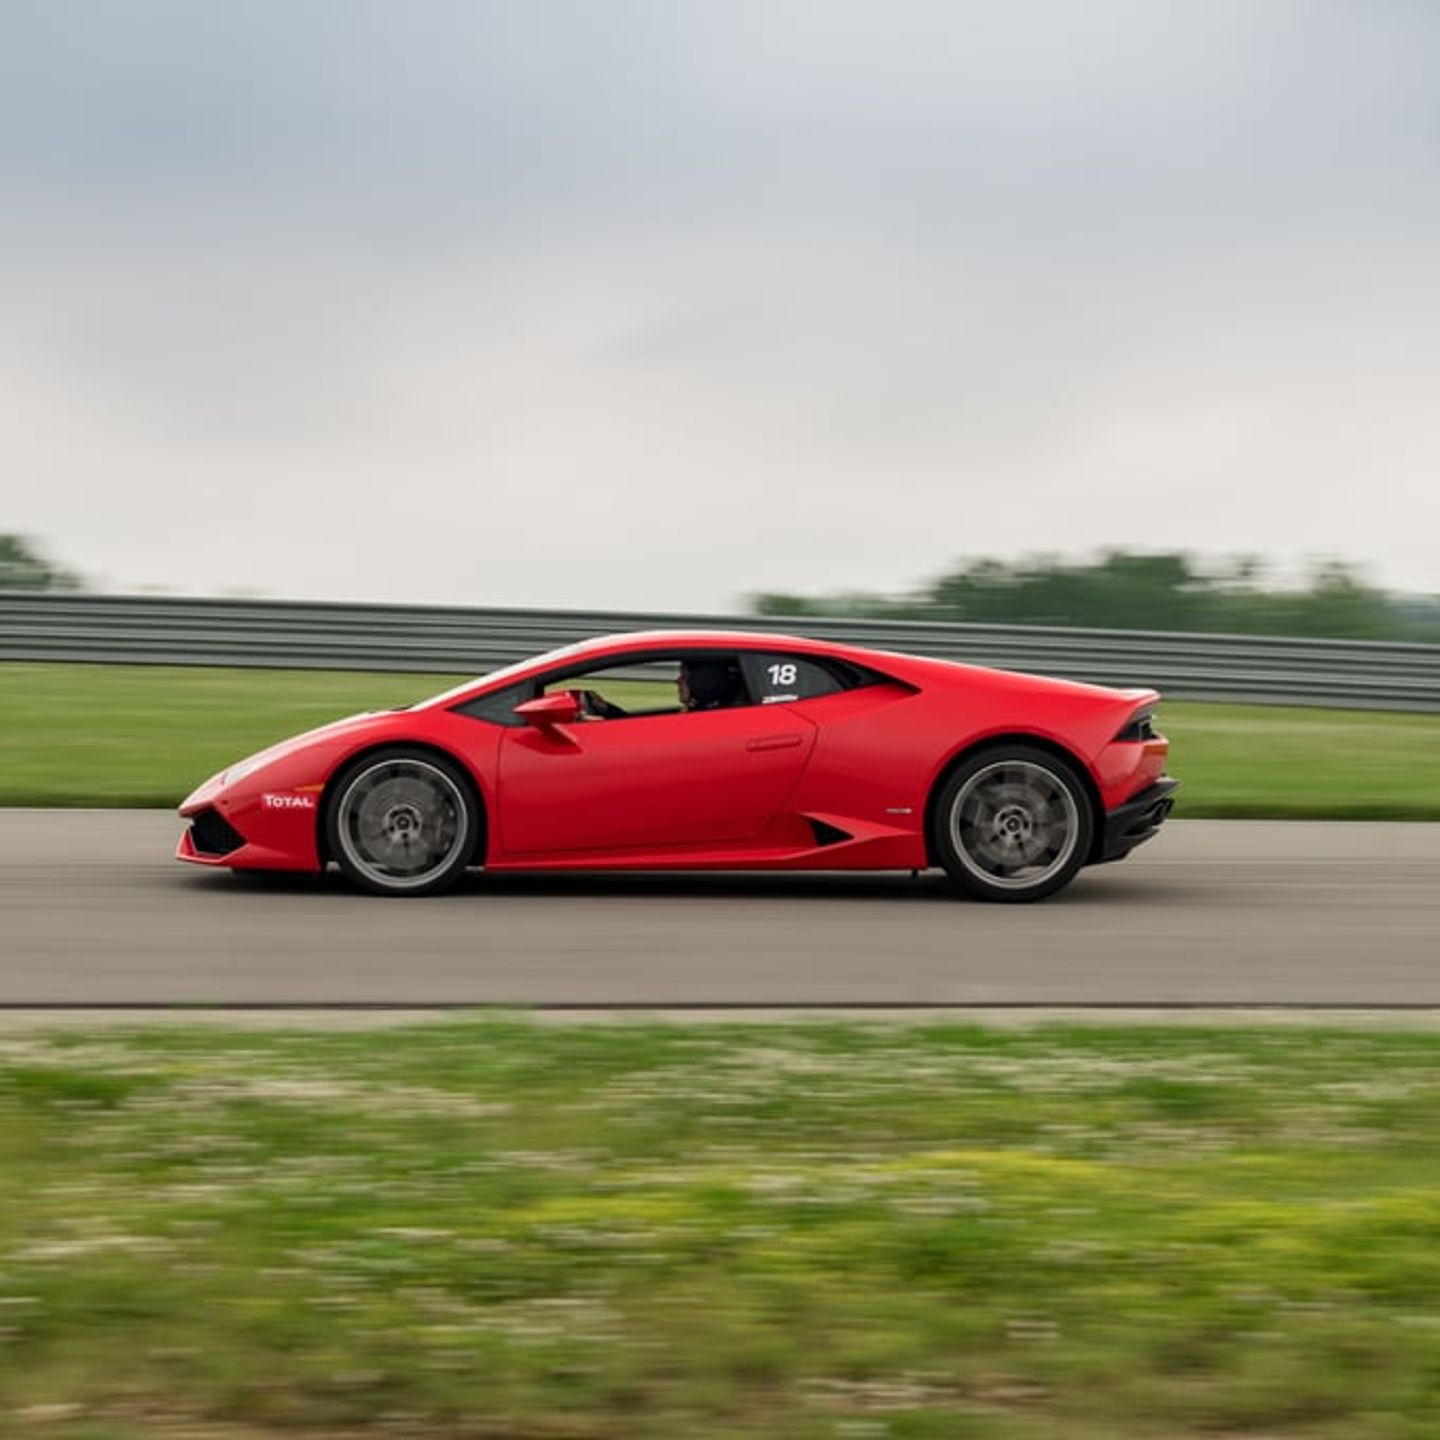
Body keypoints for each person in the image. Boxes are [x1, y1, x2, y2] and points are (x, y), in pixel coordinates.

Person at [578, 657, 743, 719]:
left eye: (684, 677)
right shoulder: (699, 713)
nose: (677, 682)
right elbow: (643, 732)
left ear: (702, 683)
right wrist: (607, 709)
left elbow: (643, 739)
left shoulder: (701, 720)